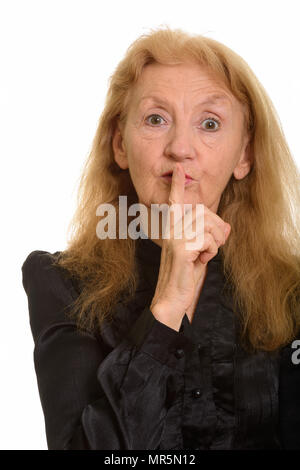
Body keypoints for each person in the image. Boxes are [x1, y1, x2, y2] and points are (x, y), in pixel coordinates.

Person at [21, 27, 300, 450]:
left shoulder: (292, 291)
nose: (181, 148)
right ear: (120, 144)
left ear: (244, 155)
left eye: (209, 123)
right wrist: (168, 304)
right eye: (156, 119)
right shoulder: (61, 283)